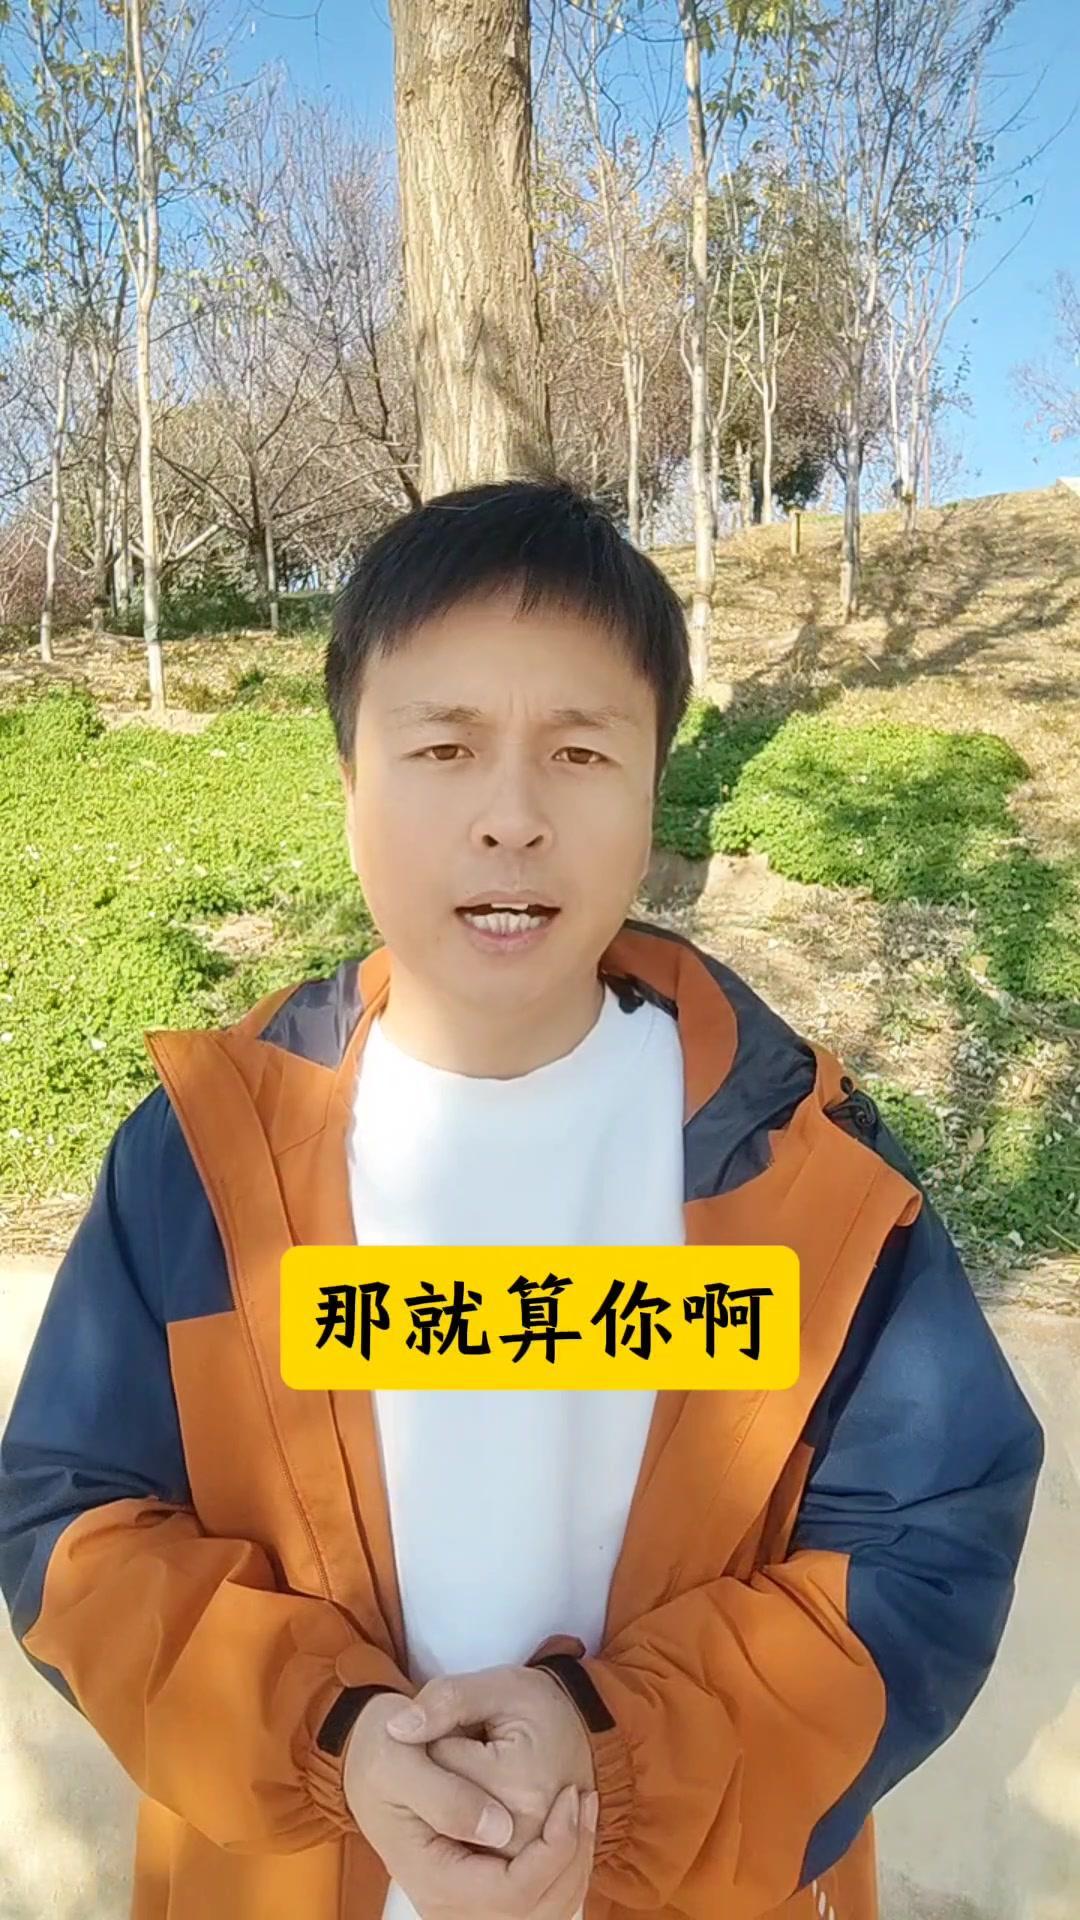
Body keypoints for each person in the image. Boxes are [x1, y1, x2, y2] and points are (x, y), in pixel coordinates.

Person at [0, 479, 1044, 1920]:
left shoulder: (807, 1175)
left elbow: (920, 1551)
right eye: (443, 748)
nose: (511, 819)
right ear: (349, 787)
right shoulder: (201, 1164)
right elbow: (78, 1526)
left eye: (579, 752)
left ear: (653, 786)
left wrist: (616, 1759)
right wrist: (331, 1736)